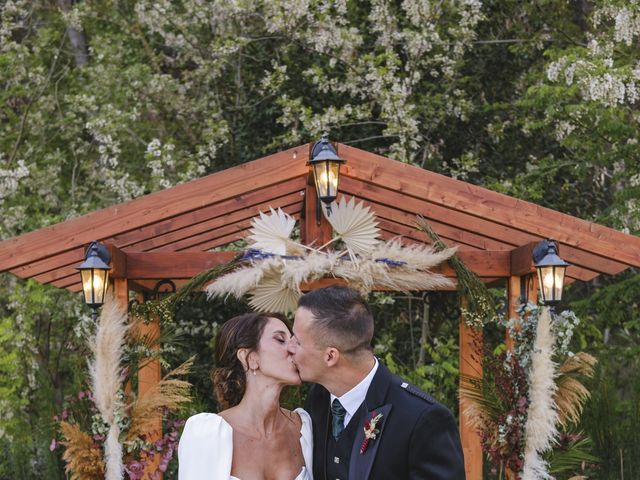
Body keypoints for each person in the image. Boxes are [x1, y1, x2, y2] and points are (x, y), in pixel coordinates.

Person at [288, 285, 465, 480]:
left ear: (330, 356)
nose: (290, 347)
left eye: (297, 341)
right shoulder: (318, 399)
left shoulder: (423, 419)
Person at [178, 312, 313, 480]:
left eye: (293, 340)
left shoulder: (304, 429)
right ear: (250, 358)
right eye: (280, 340)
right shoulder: (206, 434)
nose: (293, 348)